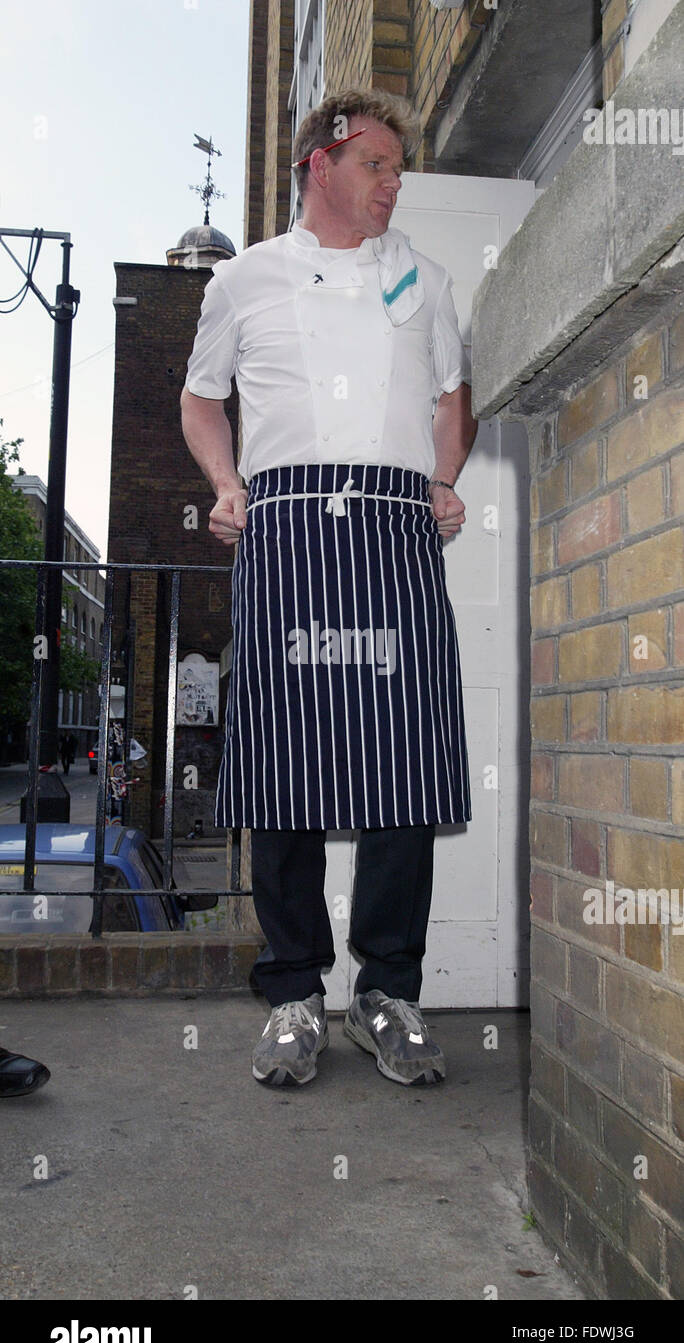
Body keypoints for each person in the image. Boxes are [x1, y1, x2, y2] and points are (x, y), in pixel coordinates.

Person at [181, 89, 478, 1090]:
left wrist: (443, 479)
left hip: (395, 530)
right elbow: (200, 398)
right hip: (287, 527)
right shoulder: (242, 279)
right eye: (378, 164)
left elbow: (452, 394)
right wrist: (227, 485)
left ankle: (387, 993)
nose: (395, 182)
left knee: (404, 763)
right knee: (283, 765)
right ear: (321, 162)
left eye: (399, 168)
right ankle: (295, 995)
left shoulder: (426, 281)